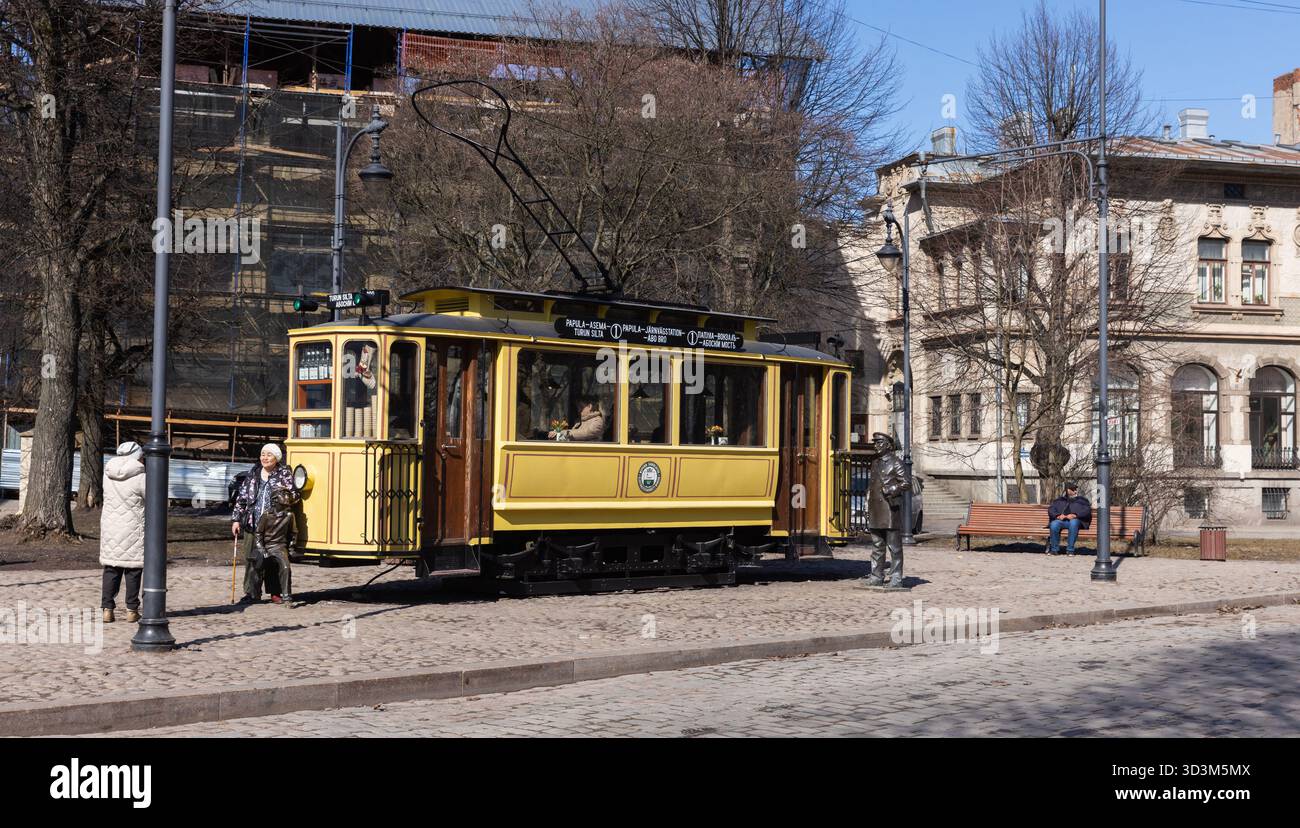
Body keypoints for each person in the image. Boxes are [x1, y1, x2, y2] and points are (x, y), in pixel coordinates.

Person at [231, 443, 296, 603]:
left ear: (277, 458)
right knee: (252, 558)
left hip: (275, 526)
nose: (264, 458)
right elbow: (242, 498)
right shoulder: (253, 473)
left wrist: (284, 497)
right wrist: (236, 520)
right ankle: (251, 593)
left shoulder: (284, 474)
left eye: (269, 455)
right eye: (262, 454)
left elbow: (294, 495)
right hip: (252, 523)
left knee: (274, 559)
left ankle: (276, 592)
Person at [100, 441, 146, 623]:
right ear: (137, 456)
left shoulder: (108, 473)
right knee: (133, 569)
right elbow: (151, 497)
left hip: (111, 526)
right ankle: (131, 610)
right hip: (133, 526)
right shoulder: (141, 476)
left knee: (111, 568)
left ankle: (107, 609)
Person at [859, 432, 911, 589]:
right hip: (876, 509)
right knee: (877, 546)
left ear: (888, 445)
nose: (876, 445)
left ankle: (896, 578)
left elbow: (906, 483)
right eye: (875, 442)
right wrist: (867, 503)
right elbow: (871, 485)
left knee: (894, 547)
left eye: (879, 442)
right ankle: (876, 576)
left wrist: (892, 488)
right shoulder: (875, 462)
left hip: (889, 510)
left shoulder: (896, 463)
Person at [256, 487, 300, 605]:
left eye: (287, 494)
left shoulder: (290, 516)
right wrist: (262, 549)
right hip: (266, 546)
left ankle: (287, 597)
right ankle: (254, 594)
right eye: (283, 494)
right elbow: (258, 534)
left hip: (280, 547)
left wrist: (291, 548)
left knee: (285, 567)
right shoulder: (266, 515)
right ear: (275, 499)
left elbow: (293, 533)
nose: (287, 497)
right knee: (256, 567)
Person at [1047, 480, 1093, 556]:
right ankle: (1054, 550)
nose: (1075, 491)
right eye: (1073, 489)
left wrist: (1075, 515)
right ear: (1067, 490)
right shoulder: (1059, 500)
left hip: (1076, 521)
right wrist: (1057, 515)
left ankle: (1070, 550)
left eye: (1075, 489)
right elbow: (1051, 509)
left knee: (1073, 522)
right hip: (1062, 521)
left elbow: (1087, 511)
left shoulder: (1082, 500)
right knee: (1054, 524)